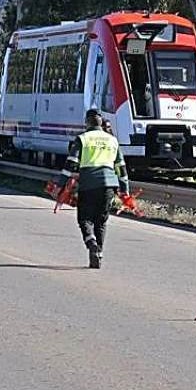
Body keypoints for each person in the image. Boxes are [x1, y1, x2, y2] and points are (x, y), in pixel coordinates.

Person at [68, 108, 129, 269]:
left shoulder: (82, 139)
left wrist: (62, 184)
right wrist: (125, 191)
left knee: (85, 219)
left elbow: (71, 164)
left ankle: (91, 242)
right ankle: (98, 254)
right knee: (101, 222)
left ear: (86, 122)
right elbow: (121, 168)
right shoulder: (112, 140)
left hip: (88, 185)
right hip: (109, 185)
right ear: (101, 122)